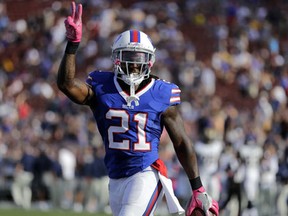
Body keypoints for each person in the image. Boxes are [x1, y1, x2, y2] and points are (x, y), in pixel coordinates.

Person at [57, 2, 219, 215]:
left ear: (149, 60)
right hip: (115, 178)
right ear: (116, 58)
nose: (134, 64)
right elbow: (66, 84)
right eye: (128, 57)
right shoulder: (102, 87)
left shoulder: (161, 93)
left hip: (146, 173)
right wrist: (72, 44)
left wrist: (197, 187)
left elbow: (181, 142)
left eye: (139, 58)